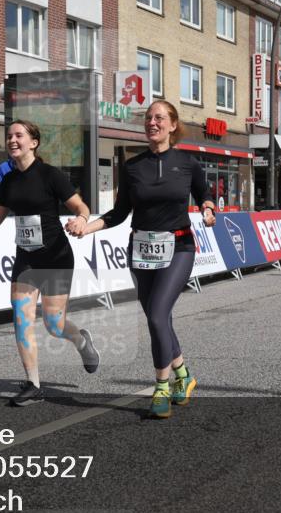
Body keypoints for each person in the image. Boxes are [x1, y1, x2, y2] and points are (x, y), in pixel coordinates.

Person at [78, 100, 216, 419]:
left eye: (159, 118)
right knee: (160, 319)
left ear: (172, 125)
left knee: (156, 315)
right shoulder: (132, 166)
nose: (152, 122)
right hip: (140, 250)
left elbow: (204, 194)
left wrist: (208, 210)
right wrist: (88, 228)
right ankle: (184, 376)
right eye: (149, 118)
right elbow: (118, 213)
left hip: (179, 248)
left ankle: (162, 387)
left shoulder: (187, 163)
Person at [0, 120, 99, 406]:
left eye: (18, 135)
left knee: (53, 324)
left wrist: (82, 220)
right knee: (22, 320)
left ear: (33, 142)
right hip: (26, 258)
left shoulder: (50, 175)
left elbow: (81, 206)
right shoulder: (9, 180)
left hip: (56, 257)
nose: (12, 140)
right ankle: (33, 384)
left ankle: (81, 340)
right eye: (9, 135)